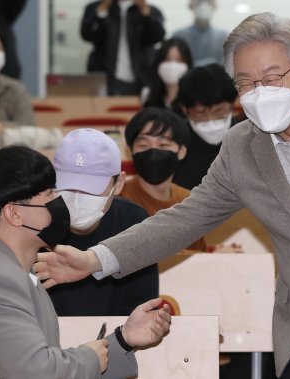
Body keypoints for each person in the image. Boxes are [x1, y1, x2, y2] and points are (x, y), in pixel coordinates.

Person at [36, 12, 290, 378]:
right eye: (246, 83)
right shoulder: (241, 146)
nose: (260, 92)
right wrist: (94, 260)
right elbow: (185, 218)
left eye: (272, 78)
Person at [0, 145, 171, 378]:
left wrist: (124, 339)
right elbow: (37, 372)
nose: (60, 202)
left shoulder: (14, 271)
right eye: (50, 194)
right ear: (14, 214)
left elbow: (41, 362)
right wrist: (91, 357)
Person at [48, 128, 158, 316]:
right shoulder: (34, 220)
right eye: (67, 186)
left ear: (119, 183)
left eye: (91, 189)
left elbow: (141, 306)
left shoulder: (134, 222)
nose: (77, 197)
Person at [121, 107, 207, 251]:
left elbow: (197, 255)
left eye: (163, 145)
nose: (153, 151)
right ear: (131, 152)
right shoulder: (119, 199)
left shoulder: (189, 201)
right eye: (143, 145)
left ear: (181, 152)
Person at [174, 63, 239, 189]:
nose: (210, 120)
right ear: (184, 109)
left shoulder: (251, 140)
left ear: (232, 104)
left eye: (219, 111)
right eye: (199, 113)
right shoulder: (175, 143)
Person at [81, 0, 166, 95]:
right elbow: (87, 35)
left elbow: (157, 37)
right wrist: (101, 11)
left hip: (140, 78)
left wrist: (145, 12)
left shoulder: (151, 10)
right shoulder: (95, 8)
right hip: (105, 78)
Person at [172, 0, 228, 67]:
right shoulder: (179, 36)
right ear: (191, 6)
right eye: (198, 1)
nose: (203, 5)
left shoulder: (224, 37)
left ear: (214, 6)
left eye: (208, 1)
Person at [142, 38, 193, 110]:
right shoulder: (147, 94)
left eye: (179, 60)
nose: (173, 65)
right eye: (167, 60)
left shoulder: (194, 98)